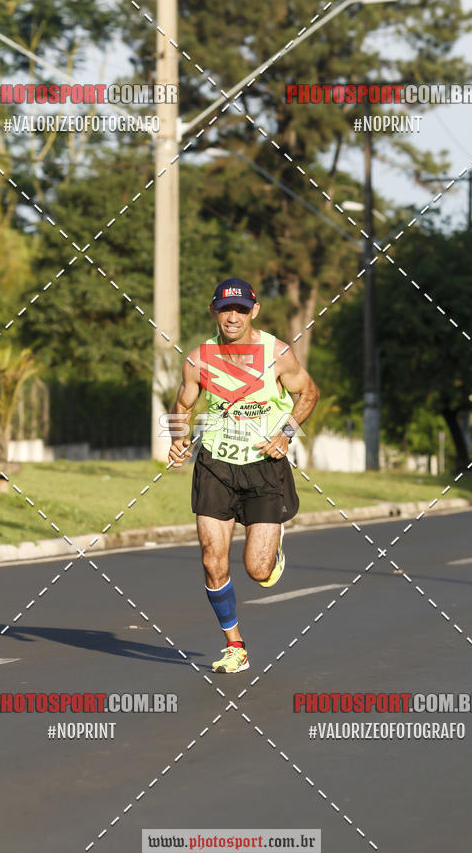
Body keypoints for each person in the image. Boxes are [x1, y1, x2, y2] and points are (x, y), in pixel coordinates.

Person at [168, 278, 319, 674]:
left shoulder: (277, 354)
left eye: (239, 309)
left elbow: (310, 393)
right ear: (213, 311)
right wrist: (178, 439)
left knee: (258, 570)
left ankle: (272, 548)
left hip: (263, 467)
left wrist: (286, 434)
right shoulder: (198, 359)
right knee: (212, 559)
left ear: (254, 311)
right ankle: (235, 645)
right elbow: (183, 403)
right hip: (215, 464)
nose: (231, 317)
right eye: (224, 309)